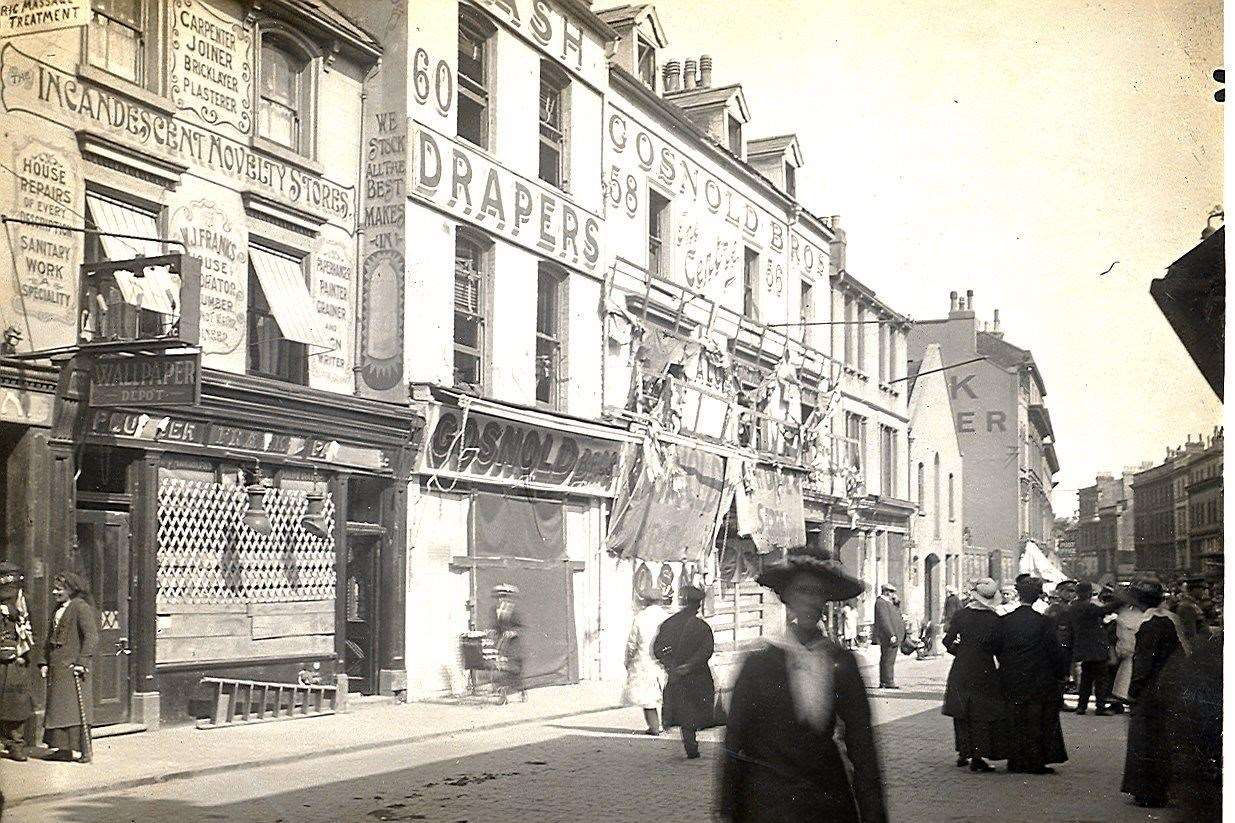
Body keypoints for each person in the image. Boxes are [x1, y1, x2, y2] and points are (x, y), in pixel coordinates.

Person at [717, 547, 886, 823]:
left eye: (817, 592)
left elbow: (862, 743)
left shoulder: (842, 663)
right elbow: (735, 739)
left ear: (826, 599)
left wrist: (874, 812)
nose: (809, 600)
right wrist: (728, 809)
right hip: (768, 802)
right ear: (787, 596)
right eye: (802, 591)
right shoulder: (758, 665)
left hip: (826, 801)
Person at [1120, 578, 1189, 809]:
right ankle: (1159, 788)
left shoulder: (1149, 625)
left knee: (1145, 739)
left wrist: (1133, 690)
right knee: (1161, 739)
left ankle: (1147, 791)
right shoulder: (1169, 621)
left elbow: (1143, 665)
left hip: (1149, 691)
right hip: (1167, 687)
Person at [992, 576, 1069, 775]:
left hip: (1011, 676)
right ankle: (1035, 761)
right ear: (1037, 597)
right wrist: (1061, 673)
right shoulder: (1045, 622)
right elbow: (1055, 651)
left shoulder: (1005, 621)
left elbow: (997, 648)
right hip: (1038, 677)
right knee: (1037, 719)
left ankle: (1015, 759)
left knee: (1014, 718)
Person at [942, 578, 1007, 773]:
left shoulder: (961, 615)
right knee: (981, 713)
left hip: (961, 668)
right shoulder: (995, 619)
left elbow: (947, 641)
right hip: (984, 670)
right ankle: (977, 757)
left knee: (962, 711)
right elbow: (999, 648)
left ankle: (963, 752)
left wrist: (960, 652)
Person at [40, 571, 98, 763]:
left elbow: (91, 637)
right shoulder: (58, 608)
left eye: (59, 589)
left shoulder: (81, 608)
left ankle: (85, 751)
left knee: (74, 711)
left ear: (71, 590)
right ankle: (63, 750)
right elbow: (49, 638)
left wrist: (82, 662)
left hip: (73, 668)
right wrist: (44, 662)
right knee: (59, 710)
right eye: (54, 588)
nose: (55, 592)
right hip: (58, 668)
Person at [652, 585, 714, 759]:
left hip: (676, 675)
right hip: (697, 675)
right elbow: (706, 650)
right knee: (693, 709)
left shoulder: (669, 624)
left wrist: (670, 664)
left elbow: (657, 649)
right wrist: (689, 666)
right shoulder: (702, 627)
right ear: (697, 605)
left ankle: (690, 743)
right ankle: (691, 744)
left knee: (683, 708)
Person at [0, 562, 34, 761]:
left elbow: (30, 631)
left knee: (16, 703)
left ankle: (16, 744)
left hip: (17, 660)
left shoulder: (23, 606)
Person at [623, 591, 670, 735]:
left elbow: (632, 643)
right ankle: (667, 725)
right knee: (665, 694)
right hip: (664, 660)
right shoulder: (668, 617)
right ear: (660, 601)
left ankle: (655, 727)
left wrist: (628, 660)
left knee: (648, 697)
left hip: (644, 661)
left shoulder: (640, 618)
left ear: (646, 601)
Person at [1067, 582, 1118, 715]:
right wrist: (1122, 599)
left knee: (1086, 678)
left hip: (1084, 648)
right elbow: (1105, 610)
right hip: (1096, 648)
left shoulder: (1073, 607)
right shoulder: (1088, 607)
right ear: (1089, 593)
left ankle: (1082, 706)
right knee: (1101, 678)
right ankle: (1100, 707)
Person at [490, 584, 525, 703]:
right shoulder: (495, 610)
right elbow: (496, 627)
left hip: (513, 646)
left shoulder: (514, 610)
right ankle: (503, 695)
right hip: (502, 644)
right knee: (500, 668)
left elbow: (521, 627)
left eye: (503, 596)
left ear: (508, 597)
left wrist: (513, 632)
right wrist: (492, 631)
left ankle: (521, 691)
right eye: (499, 597)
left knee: (513, 671)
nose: (501, 599)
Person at [872, 584, 904, 689]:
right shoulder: (881, 603)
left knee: (888, 658)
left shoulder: (888, 603)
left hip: (892, 635)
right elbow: (884, 620)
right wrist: (891, 634)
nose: (893, 595)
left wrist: (897, 603)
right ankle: (888, 681)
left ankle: (885, 681)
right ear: (886, 592)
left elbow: (896, 614)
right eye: (891, 592)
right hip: (888, 636)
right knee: (888, 659)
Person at [1171, 580, 1208, 644]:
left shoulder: (1192, 603)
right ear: (1194, 590)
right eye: (1201, 589)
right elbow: (1190, 634)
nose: (1203, 591)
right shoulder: (1186, 606)